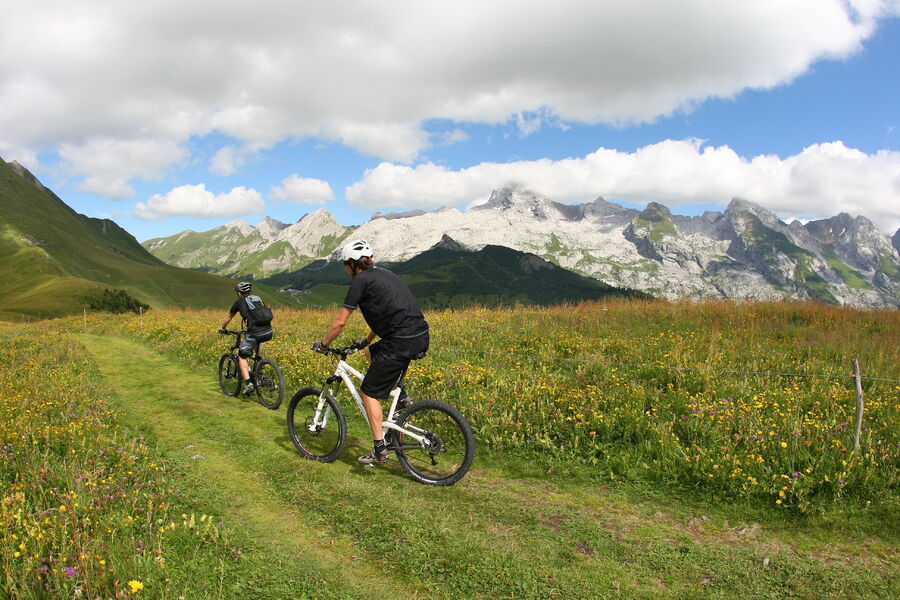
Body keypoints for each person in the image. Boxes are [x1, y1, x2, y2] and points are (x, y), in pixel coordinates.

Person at [312, 239, 429, 465]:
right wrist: (366, 341)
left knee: (368, 392)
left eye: (345, 264)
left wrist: (324, 345)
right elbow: (384, 313)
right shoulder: (385, 274)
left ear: (353, 264)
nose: (345, 269)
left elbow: (339, 322)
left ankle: (379, 449)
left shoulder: (360, 281)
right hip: (419, 336)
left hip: (400, 341)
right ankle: (400, 396)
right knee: (370, 353)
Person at [219, 281, 274, 396]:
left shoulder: (239, 302)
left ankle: (249, 384)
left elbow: (229, 317)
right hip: (268, 331)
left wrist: (223, 328)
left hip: (255, 332)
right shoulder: (257, 298)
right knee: (256, 352)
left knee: (242, 356)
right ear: (250, 292)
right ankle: (259, 372)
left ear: (239, 293)